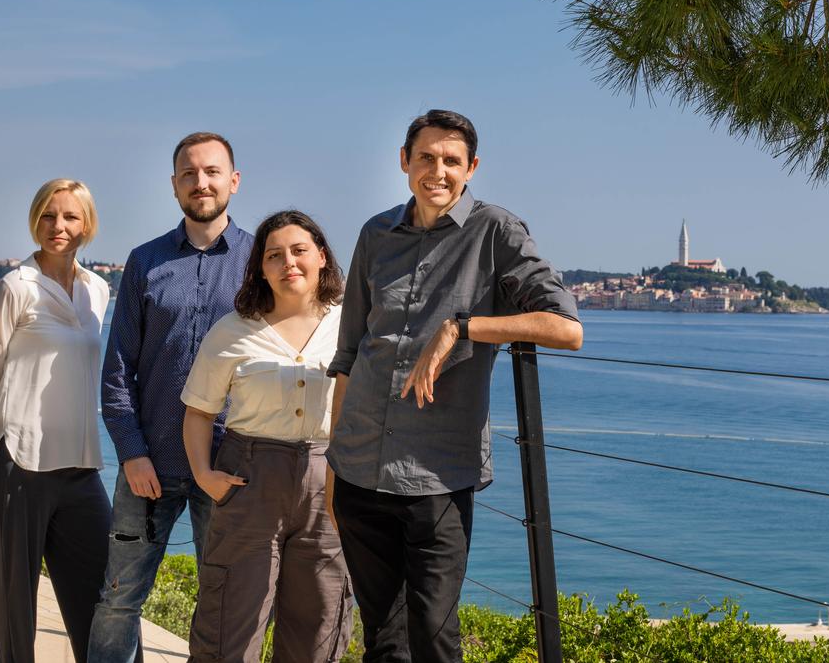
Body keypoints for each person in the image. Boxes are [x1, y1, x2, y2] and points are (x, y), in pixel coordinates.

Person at [327, 109, 583, 663]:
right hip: (358, 468)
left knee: (435, 638)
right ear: (404, 161)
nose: (437, 171)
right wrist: (334, 463)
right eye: (426, 157)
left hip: (438, 477)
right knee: (382, 640)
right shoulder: (375, 234)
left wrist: (460, 328)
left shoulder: (496, 231)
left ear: (472, 168)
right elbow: (349, 355)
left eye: (451, 160)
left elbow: (567, 328)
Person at [88, 132, 253, 663]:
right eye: (189, 174)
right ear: (174, 185)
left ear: (233, 180)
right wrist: (131, 453)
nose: (200, 182)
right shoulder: (144, 261)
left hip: (228, 467)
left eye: (212, 172)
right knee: (118, 600)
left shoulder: (261, 260)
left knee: (225, 604)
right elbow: (118, 369)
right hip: (150, 463)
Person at [181, 209, 353, 662]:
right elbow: (198, 412)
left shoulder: (351, 325)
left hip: (330, 487)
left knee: (319, 625)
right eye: (274, 255)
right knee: (229, 627)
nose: (288, 262)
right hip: (249, 483)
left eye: (299, 250)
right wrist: (204, 476)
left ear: (321, 256)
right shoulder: (233, 330)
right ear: (260, 267)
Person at [0, 178, 112, 663]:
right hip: (19, 465)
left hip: (81, 466)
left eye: (70, 216)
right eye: (48, 215)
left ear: (87, 224)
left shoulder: (98, 290)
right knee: (15, 612)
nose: (58, 226)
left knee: (104, 605)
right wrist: (4, 446)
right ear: (35, 220)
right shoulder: (13, 288)